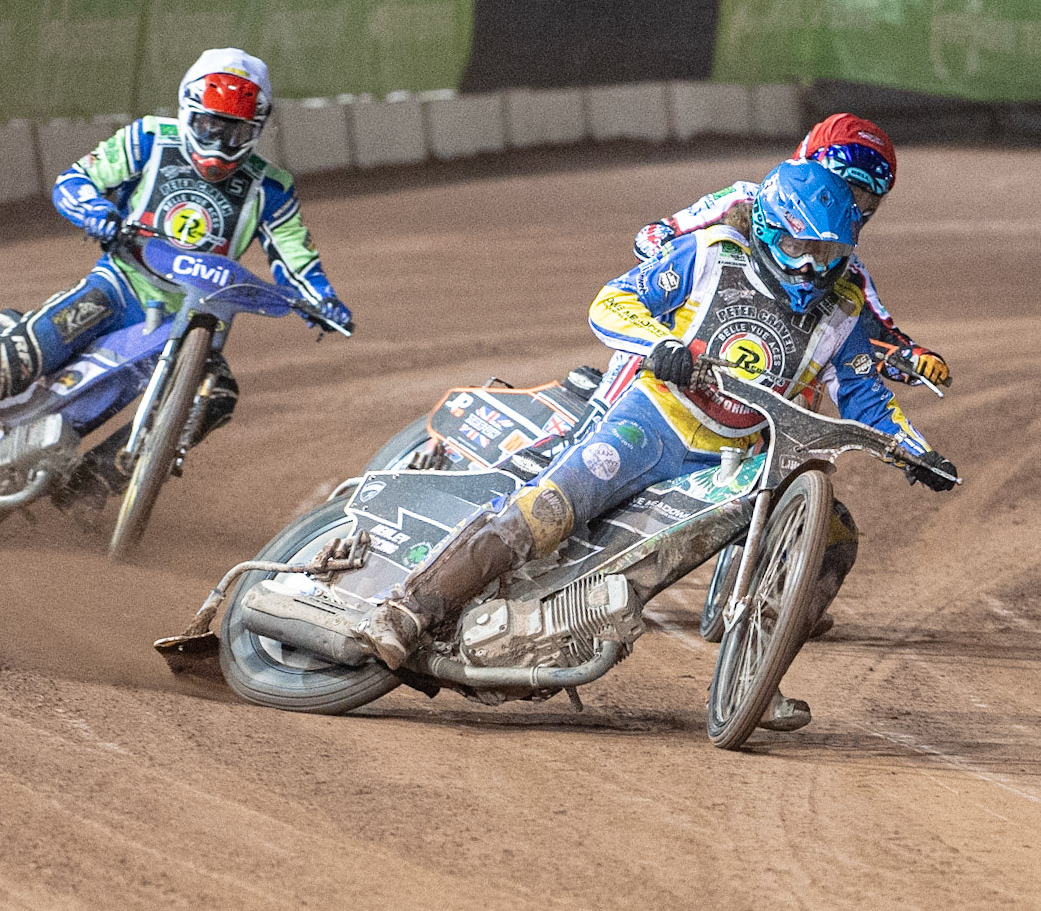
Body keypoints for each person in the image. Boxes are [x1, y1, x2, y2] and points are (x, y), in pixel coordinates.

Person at [353, 160, 956, 731]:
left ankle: (757, 670)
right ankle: (408, 610)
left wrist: (915, 451)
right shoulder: (712, 253)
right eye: (805, 247)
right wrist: (658, 343)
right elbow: (613, 300)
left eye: (831, 251)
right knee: (548, 511)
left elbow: (864, 396)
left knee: (831, 539)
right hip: (655, 422)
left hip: (744, 457)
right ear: (772, 229)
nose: (816, 264)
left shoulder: (845, 308)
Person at [0, 48, 351, 511]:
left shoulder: (271, 187)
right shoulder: (151, 138)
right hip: (119, 286)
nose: (219, 142)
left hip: (194, 319)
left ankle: (84, 496)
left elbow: (295, 256)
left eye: (235, 132)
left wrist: (322, 300)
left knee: (216, 396)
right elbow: (75, 180)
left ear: (256, 131)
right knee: (23, 356)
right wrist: (98, 214)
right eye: (210, 125)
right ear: (187, 111)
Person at [632, 113, 949, 390]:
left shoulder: (845, 269)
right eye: (848, 188)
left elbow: (877, 336)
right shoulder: (745, 201)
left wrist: (914, 360)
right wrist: (682, 265)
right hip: (682, 352)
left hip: (767, 377)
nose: (853, 205)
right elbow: (649, 238)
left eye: (869, 199)